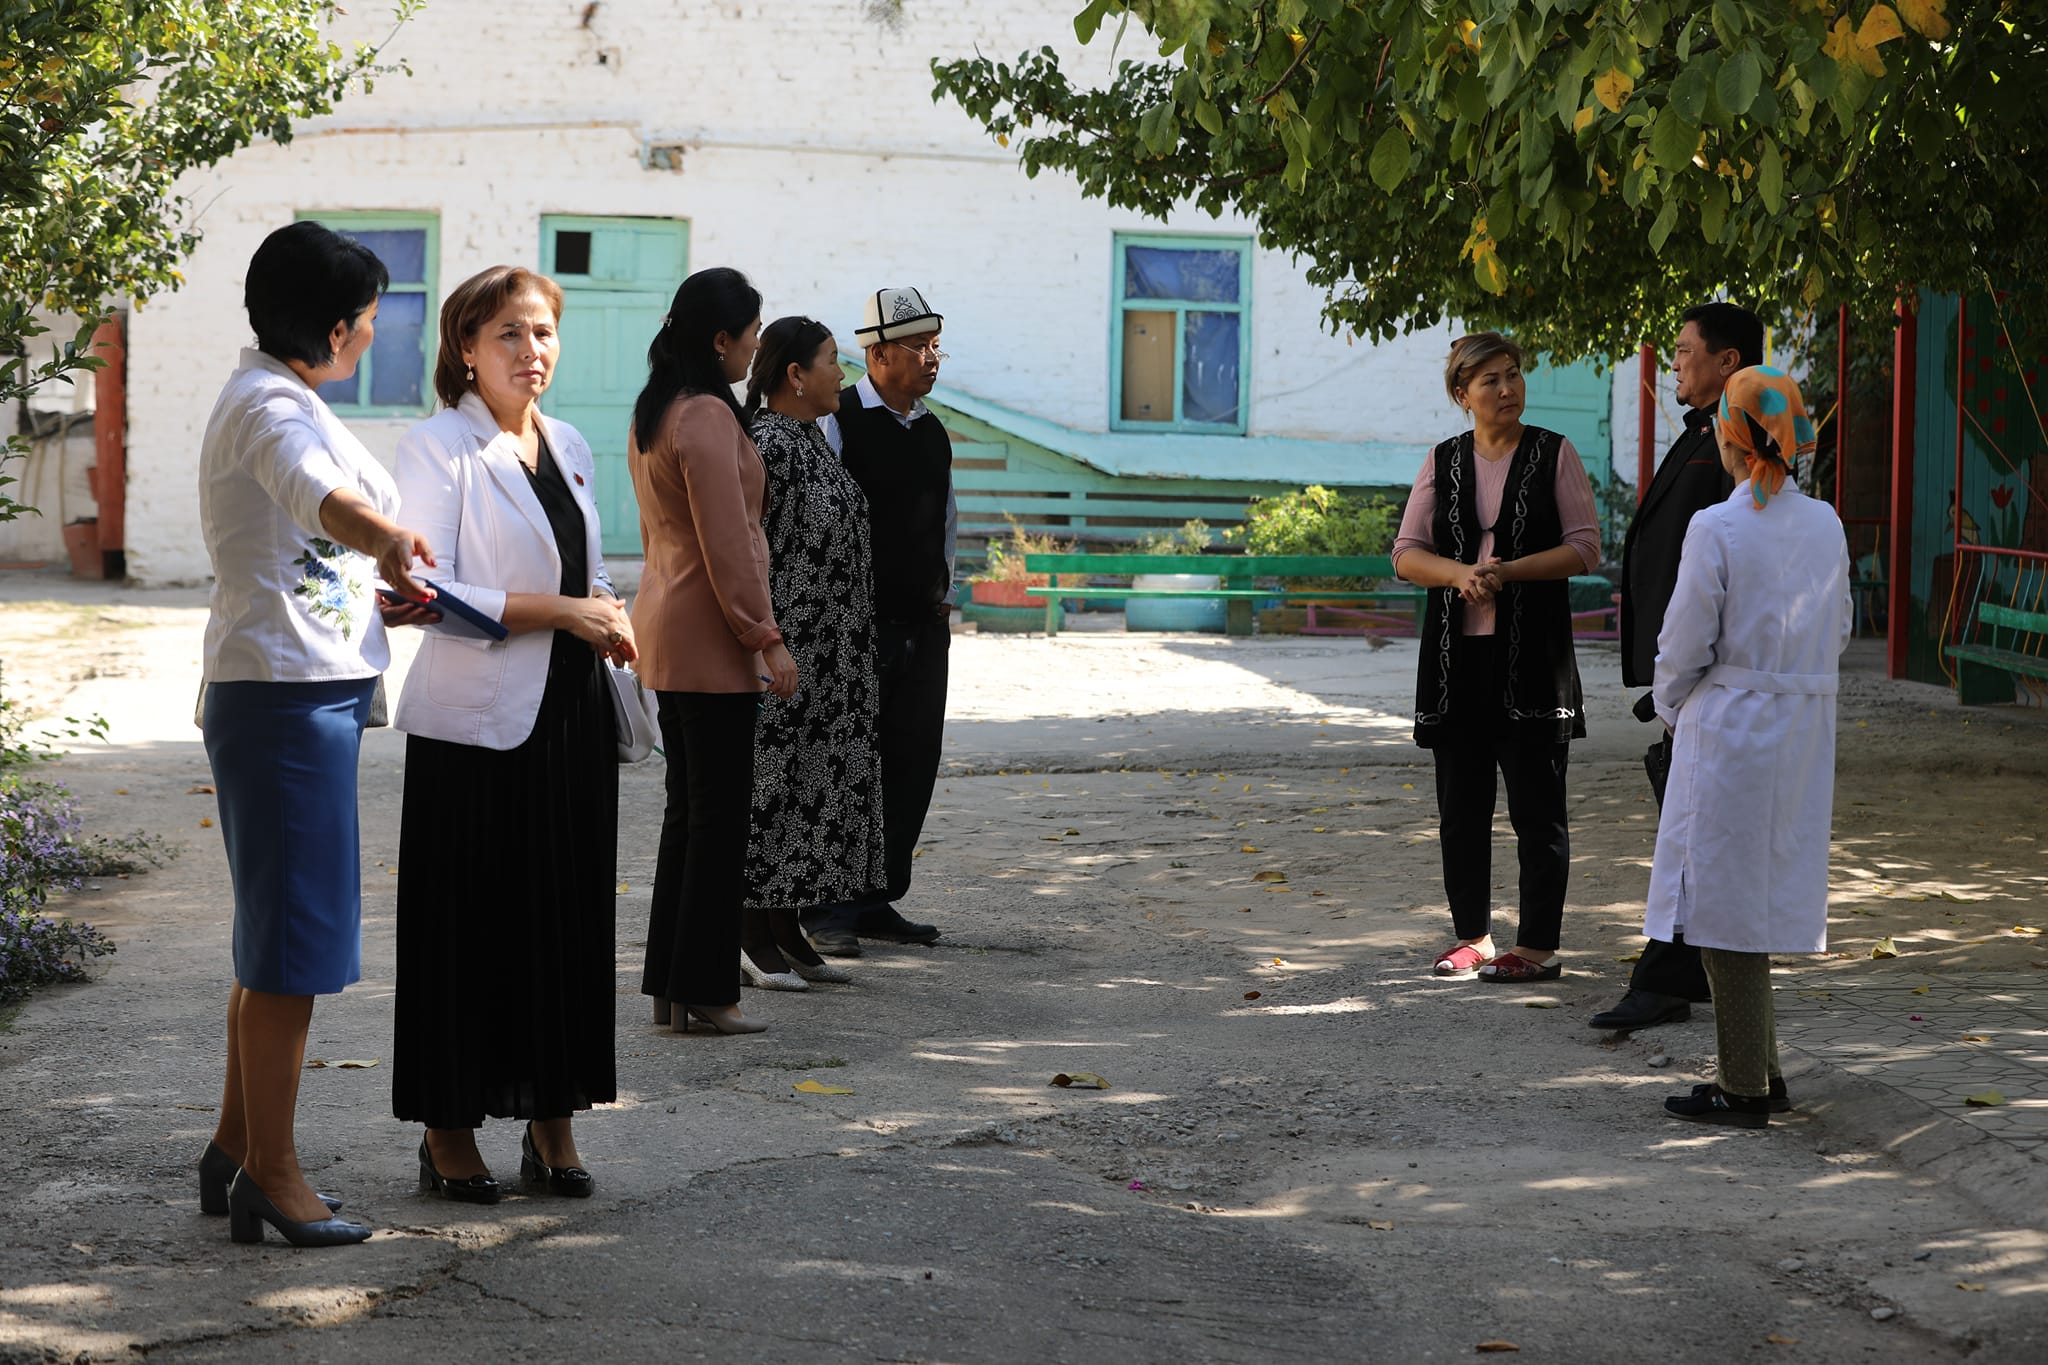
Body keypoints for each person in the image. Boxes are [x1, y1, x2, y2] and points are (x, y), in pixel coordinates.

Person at [195, 220, 437, 1247]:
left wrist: (374, 592)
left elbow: (301, 539)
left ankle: (235, 1147)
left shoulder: (285, 396)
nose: (375, 335)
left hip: (302, 694)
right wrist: (385, 540)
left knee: (278, 942)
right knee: (293, 951)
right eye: (370, 320)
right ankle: (275, 1174)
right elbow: (316, 497)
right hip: (283, 704)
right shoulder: (269, 409)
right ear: (336, 329)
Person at [390, 265, 635, 1203]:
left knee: (565, 920)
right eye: (509, 334)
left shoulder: (566, 442)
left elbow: (584, 567)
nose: (533, 351)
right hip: (474, 730)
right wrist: (567, 612)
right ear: (465, 348)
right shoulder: (438, 447)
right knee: (467, 928)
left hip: (569, 716)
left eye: (543, 332)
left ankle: (553, 1121)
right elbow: (427, 591)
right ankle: (448, 1133)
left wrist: (607, 612)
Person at [1653, 366, 1848, 1128]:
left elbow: (1684, 642)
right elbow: (1838, 627)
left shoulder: (1718, 527)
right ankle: (1764, 1071)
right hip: (1801, 727)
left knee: (1724, 912)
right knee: (1754, 901)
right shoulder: (1826, 523)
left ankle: (1742, 1088)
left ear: (1729, 438)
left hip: (1730, 727)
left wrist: (1672, 705)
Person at [1393, 332, 1601, 984]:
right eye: (1490, 380)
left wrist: (1507, 572)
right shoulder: (1443, 459)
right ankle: (1473, 938)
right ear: (1463, 394)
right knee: (1461, 809)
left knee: (1538, 810)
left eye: (1513, 374)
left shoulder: (1554, 452)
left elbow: (1585, 547)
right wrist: (1460, 574)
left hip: (1534, 657)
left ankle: (1537, 947)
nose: (1507, 389)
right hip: (1455, 662)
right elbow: (1406, 553)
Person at [630, 267, 799, 1033]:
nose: (757, 346)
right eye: (752, 333)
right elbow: (729, 543)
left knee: (690, 816)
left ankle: (674, 987)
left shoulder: (659, 409)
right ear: (721, 338)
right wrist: (765, 636)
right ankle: (707, 989)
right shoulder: (702, 415)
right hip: (711, 638)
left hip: (674, 629)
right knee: (718, 823)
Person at [1590, 303, 1761, 1033]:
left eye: (1686, 349)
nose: (1675, 363)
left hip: (1707, 677)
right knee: (1690, 834)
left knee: (1691, 838)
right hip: (1688, 673)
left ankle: (1668, 977)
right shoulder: (1702, 432)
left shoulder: (1739, 447)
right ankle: (1686, 970)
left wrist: (1678, 684)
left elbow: (1724, 574)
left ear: (1727, 361)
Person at [803, 287, 955, 958]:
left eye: (935, 345)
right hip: (856, 629)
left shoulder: (931, 430)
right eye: (918, 346)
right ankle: (826, 907)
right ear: (878, 354)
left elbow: (945, 516)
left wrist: (945, 590)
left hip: (923, 625)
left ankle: (874, 896)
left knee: (911, 760)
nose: (931, 358)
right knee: (846, 764)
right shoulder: (839, 422)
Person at [737, 317, 886, 988]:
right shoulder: (769, 443)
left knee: (810, 791)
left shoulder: (812, 438)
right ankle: (749, 931)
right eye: (832, 360)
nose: (842, 374)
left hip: (834, 656)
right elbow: (750, 552)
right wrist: (767, 642)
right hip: (791, 653)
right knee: (775, 789)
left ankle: (785, 926)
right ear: (795, 375)